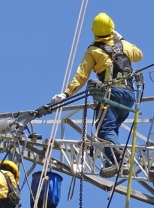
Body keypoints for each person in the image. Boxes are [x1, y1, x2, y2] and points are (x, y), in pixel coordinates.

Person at [51, 12, 143, 177]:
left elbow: (81, 75)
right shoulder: (125, 46)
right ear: (112, 29)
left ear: (94, 32)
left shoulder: (93, 51)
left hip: (111, 95)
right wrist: (121, 40)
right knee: (111, 129)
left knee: (104, 131)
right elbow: (139, 55)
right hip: (129, 96)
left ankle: (120, 159)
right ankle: (112, 159)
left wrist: (66, 94)